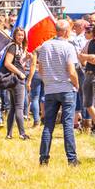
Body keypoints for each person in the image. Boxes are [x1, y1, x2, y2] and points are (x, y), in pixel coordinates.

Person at [35, 20, 80, 166]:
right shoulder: (68, 47)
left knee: (48, 125)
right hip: (66, 88)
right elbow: (71, 70)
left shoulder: (45, 46)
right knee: (67, 125)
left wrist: (48, 81)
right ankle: (71, 159)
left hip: (50, 89)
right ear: (66, 32)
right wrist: (76, 84)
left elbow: (40, 69)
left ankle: (43, 158)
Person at [1, 27, 31, 140]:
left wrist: (26, 59)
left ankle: (9, 134)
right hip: (17, 79)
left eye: (22, 35)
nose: (21, 37)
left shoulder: (19, 47)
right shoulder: (13, 46)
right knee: (19, 107)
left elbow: (17, 63)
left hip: (16, 79)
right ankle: (22, 134)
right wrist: (20, 73)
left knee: (13, 108)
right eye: (19, 35)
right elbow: (7, 63)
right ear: (14, 35)